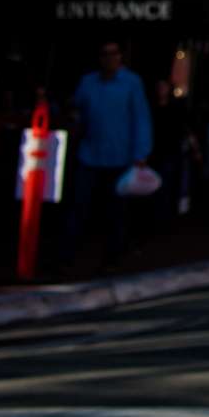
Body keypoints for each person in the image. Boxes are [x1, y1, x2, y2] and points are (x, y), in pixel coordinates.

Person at [63, 41, 153, 271]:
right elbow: (76, 108)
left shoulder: (131, 83)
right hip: (90, 154)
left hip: (120, 157)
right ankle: (67, 255)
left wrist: (140, 153)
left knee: (116, 211)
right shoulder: (89, 82)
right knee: (79, 206)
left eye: (113, 54)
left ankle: (112, 258)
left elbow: (141, 118)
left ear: (120, 57)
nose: (109, 59)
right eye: (104, 54)